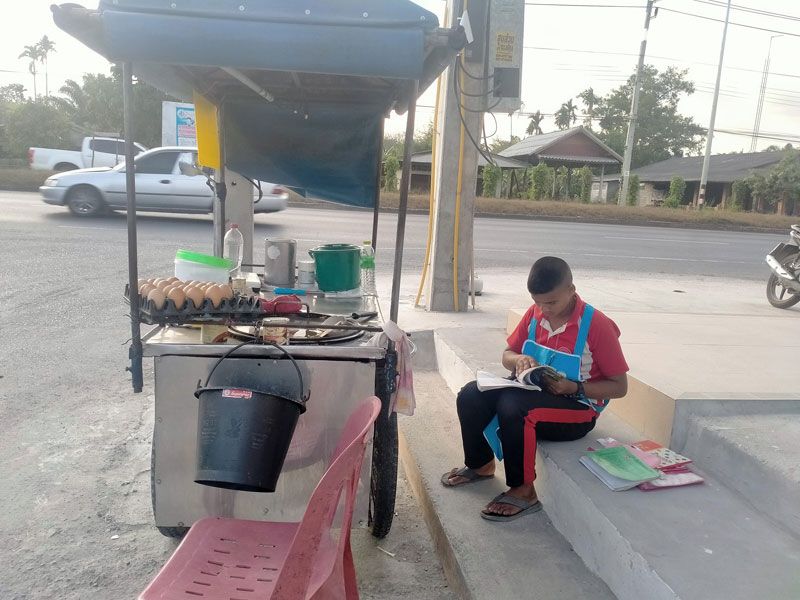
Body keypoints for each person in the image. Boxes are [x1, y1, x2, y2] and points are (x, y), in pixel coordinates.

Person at [441, 256, 629, 521]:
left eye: (551, 302)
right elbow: (507, 354)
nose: (544, 309)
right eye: (537, 302)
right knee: (472, 394)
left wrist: (574, 387)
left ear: (571, 290)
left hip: (577, 410)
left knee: (513, 406)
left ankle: (523, 491)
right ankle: (480, 464)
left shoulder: (596, 325)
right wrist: (519, 360)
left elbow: (619, 387)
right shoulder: (535, 314)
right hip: (535, 395)